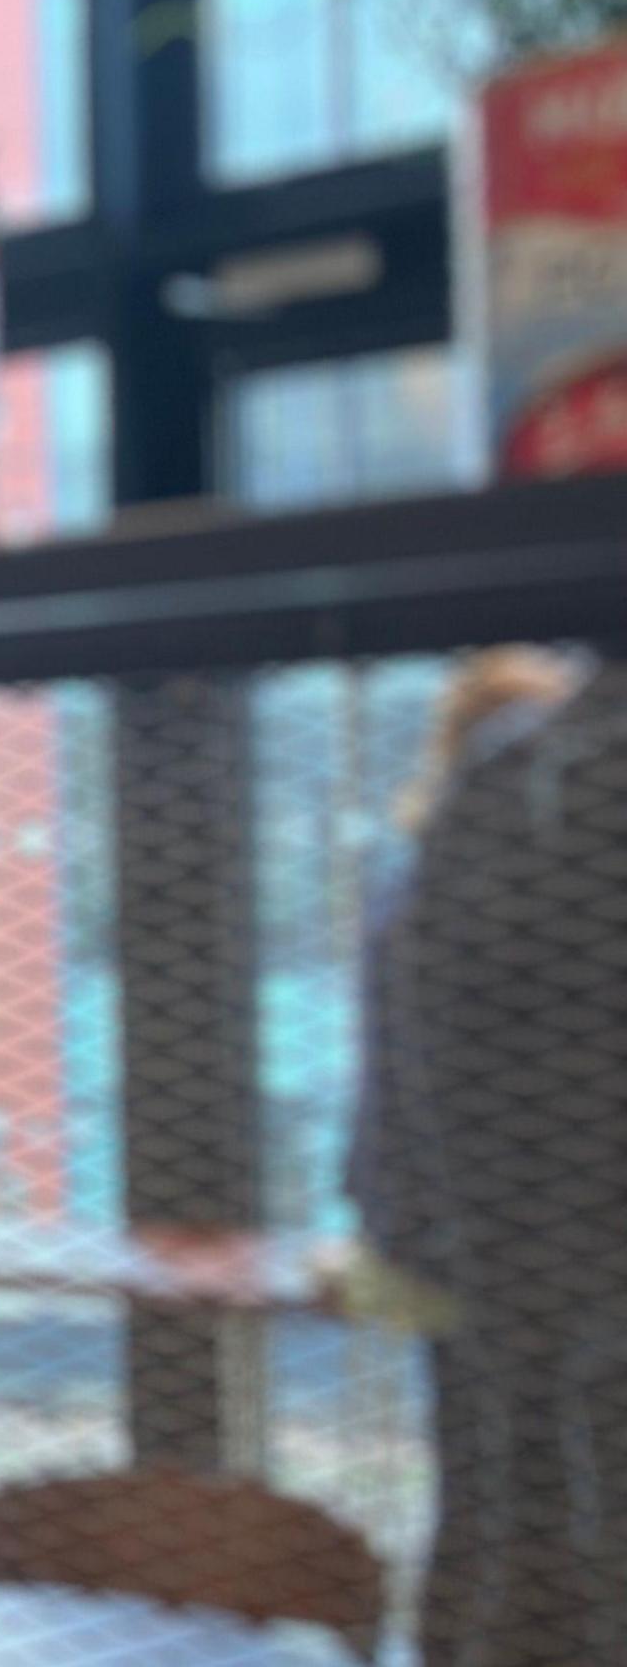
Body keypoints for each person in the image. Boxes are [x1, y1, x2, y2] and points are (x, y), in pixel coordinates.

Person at [351, 648, 627, 1665]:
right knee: (518, 1503)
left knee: (486, 1499)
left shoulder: (412, 872)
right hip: (498, 1240)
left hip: (436, 1234)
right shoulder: (490, 870)